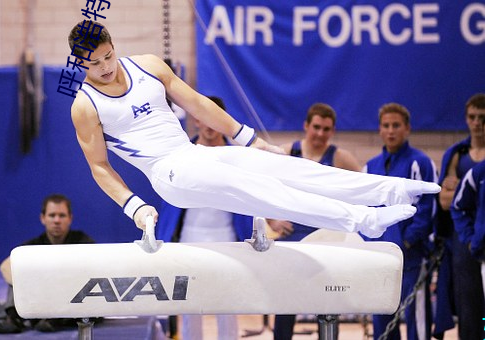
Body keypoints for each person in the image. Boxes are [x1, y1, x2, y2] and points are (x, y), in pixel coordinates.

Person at [68, 20, 439, 247]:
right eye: (94, 63)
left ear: (114, 47)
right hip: (168, 174)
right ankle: (362, 220)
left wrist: (249, 138)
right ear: (80, 63)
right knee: (263, 191)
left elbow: (198, 103)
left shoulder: (147, 66)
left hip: (195, 156)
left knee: (287, 169)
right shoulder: (85, 106)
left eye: (108, 56)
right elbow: (99, 167)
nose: (104, 67)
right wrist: (135, 207)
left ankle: (388, 189)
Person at [156, 96, 253, 340]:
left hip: (229, 239)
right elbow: (167, 198)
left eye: (215, 120)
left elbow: (250, 199)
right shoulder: (179, 154)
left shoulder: (237, 159)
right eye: (204, 119)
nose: (210, 126)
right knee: (190, 305)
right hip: (189, 238)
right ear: (196, 120)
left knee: (228, 306)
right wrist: (162, 238)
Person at [271, 102, 361, 340]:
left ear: (332, 131)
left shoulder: (341, 158)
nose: (321, 134)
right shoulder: (286, 152)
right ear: (306, 126)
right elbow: (260, 189)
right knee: (285, 302)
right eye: (317, 127)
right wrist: (272, 220)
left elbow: (364, 192)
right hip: (292, 235)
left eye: (326, 129)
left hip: (326, 239)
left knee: (329, 300)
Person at [362, 103, 437, 340]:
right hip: (380, 259)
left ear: (407, 129)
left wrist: (407, 241)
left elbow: (427, 209)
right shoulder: (370, 167)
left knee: (417, 320)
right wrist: (370, 243)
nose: (391, 131)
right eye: (386, 126)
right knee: (382, 321)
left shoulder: (420, 163)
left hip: (411, 257)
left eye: (396, 125)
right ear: (380, 130)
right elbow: (363, 209)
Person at [0, 194, 95, 334]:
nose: (57, 220)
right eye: (52, 215)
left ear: (70, 218)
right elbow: (5, 266)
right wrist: (35, 283)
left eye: (62, 215)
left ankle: (55, 319)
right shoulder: (32, 246)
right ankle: (13, 318)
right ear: (43, 218)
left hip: (71, 301)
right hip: (40, 298)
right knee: (17, 270)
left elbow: (93, 270)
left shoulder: (83, 242)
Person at [435, 93, 485, 340]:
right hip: (464, 238)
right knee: (468, 304)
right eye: (472, 117)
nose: (477, 123)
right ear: (466, 119)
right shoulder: (457, 154)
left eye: (482, 118)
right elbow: (444, 202)